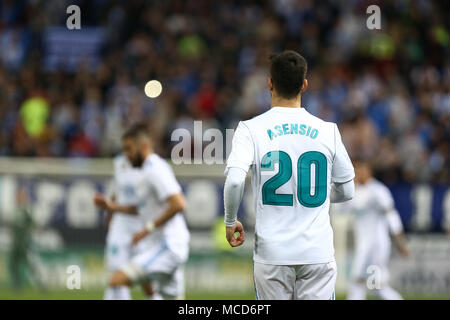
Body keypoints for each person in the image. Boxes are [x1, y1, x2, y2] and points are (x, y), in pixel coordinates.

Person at [223, 50, 355, 300]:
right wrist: (312, 195)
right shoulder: (328, 131)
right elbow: (347, 191)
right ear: (304, 85)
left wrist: (230, 221)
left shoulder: (250, 130)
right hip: (317, 253)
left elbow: (235, 180)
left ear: (270, 83)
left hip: (272, 254)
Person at [96, 123, 189, 299]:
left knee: (117, 280)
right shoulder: (146, 171)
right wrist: (112, 207)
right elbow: (140, 209)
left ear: (144, 146)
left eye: (129, 149)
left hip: (168, 245)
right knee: (159, 294)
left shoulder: (154, 169)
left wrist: (148, 228)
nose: (127, 155)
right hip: (165, 245)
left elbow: (179, 204)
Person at [94, 154, 158, 300]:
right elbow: (115, 193)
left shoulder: (151, 166)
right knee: (116, 275)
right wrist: (110, 215)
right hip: (121, 227)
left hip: (142, 228)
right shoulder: (119, 163)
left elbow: (146, 206)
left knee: (146, 277)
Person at [346, 160, 409, 300]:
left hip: (375, 245)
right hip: (364, 245)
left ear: (368, 171)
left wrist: (400, 242)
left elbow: (392, 216)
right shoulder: (356, 191)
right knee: (374, 285)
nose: (356, 174)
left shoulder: (379, 191)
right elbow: (343, 209)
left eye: (359, 170)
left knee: (360, 282)